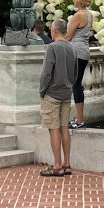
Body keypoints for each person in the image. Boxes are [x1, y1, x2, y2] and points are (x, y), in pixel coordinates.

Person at [38, 19, 78, 177]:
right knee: (64, 127)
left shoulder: (52, 47)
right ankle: (67, 163)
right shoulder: (72, 47)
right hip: (66, 93)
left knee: (53, 128)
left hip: (52, 93)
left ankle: (57, 164)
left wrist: (42, 90)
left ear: (54, 30)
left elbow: (46, 72)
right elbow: (75, 73)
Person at [64, 0, 94, 129]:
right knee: (77, 84)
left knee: (75, 85)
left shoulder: (78, 15)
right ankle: (78, 117)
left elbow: (69, 36)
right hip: (83, 50)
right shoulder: (89, 14)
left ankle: (80, 120)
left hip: (75, 51)